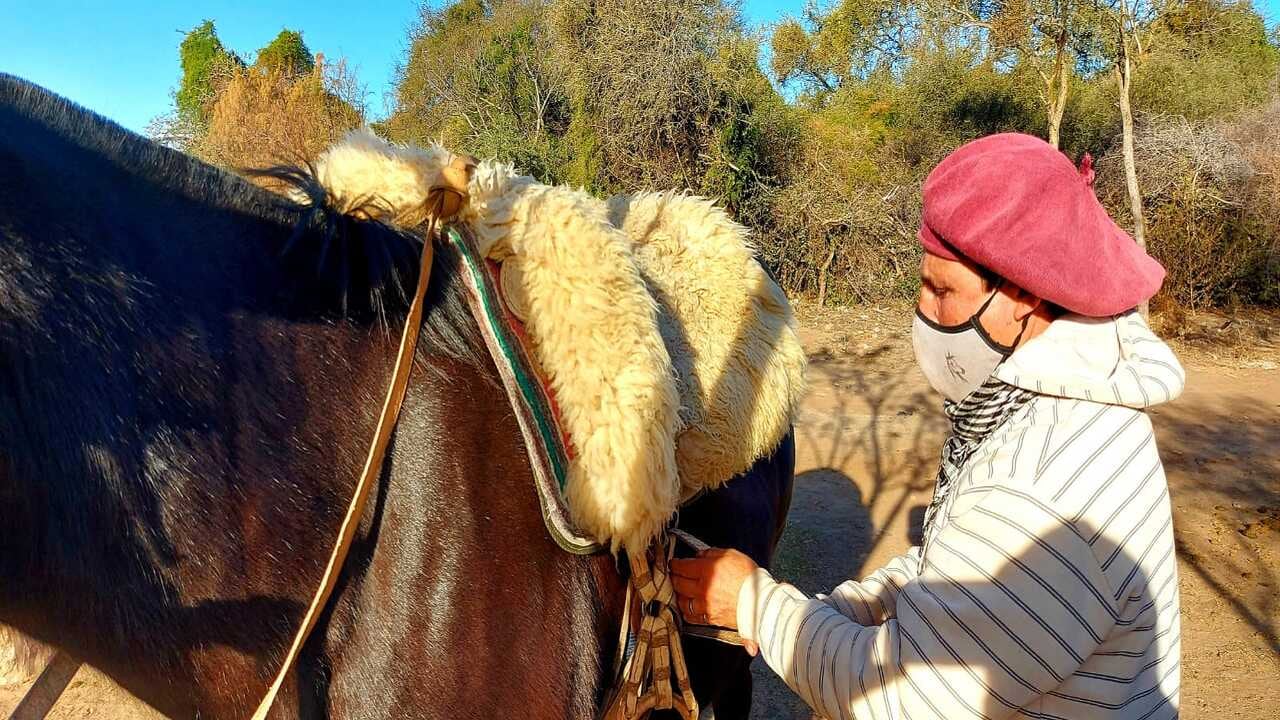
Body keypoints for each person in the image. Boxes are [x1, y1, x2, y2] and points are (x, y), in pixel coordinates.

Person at [671, 133, 1184, 719]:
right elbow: (954, 564)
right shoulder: (1064, 404)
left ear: (1021, 295)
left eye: (942, 290)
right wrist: (836, 608)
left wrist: (756, 605)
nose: (924, 312)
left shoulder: (1034, 479)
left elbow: (906, 700)